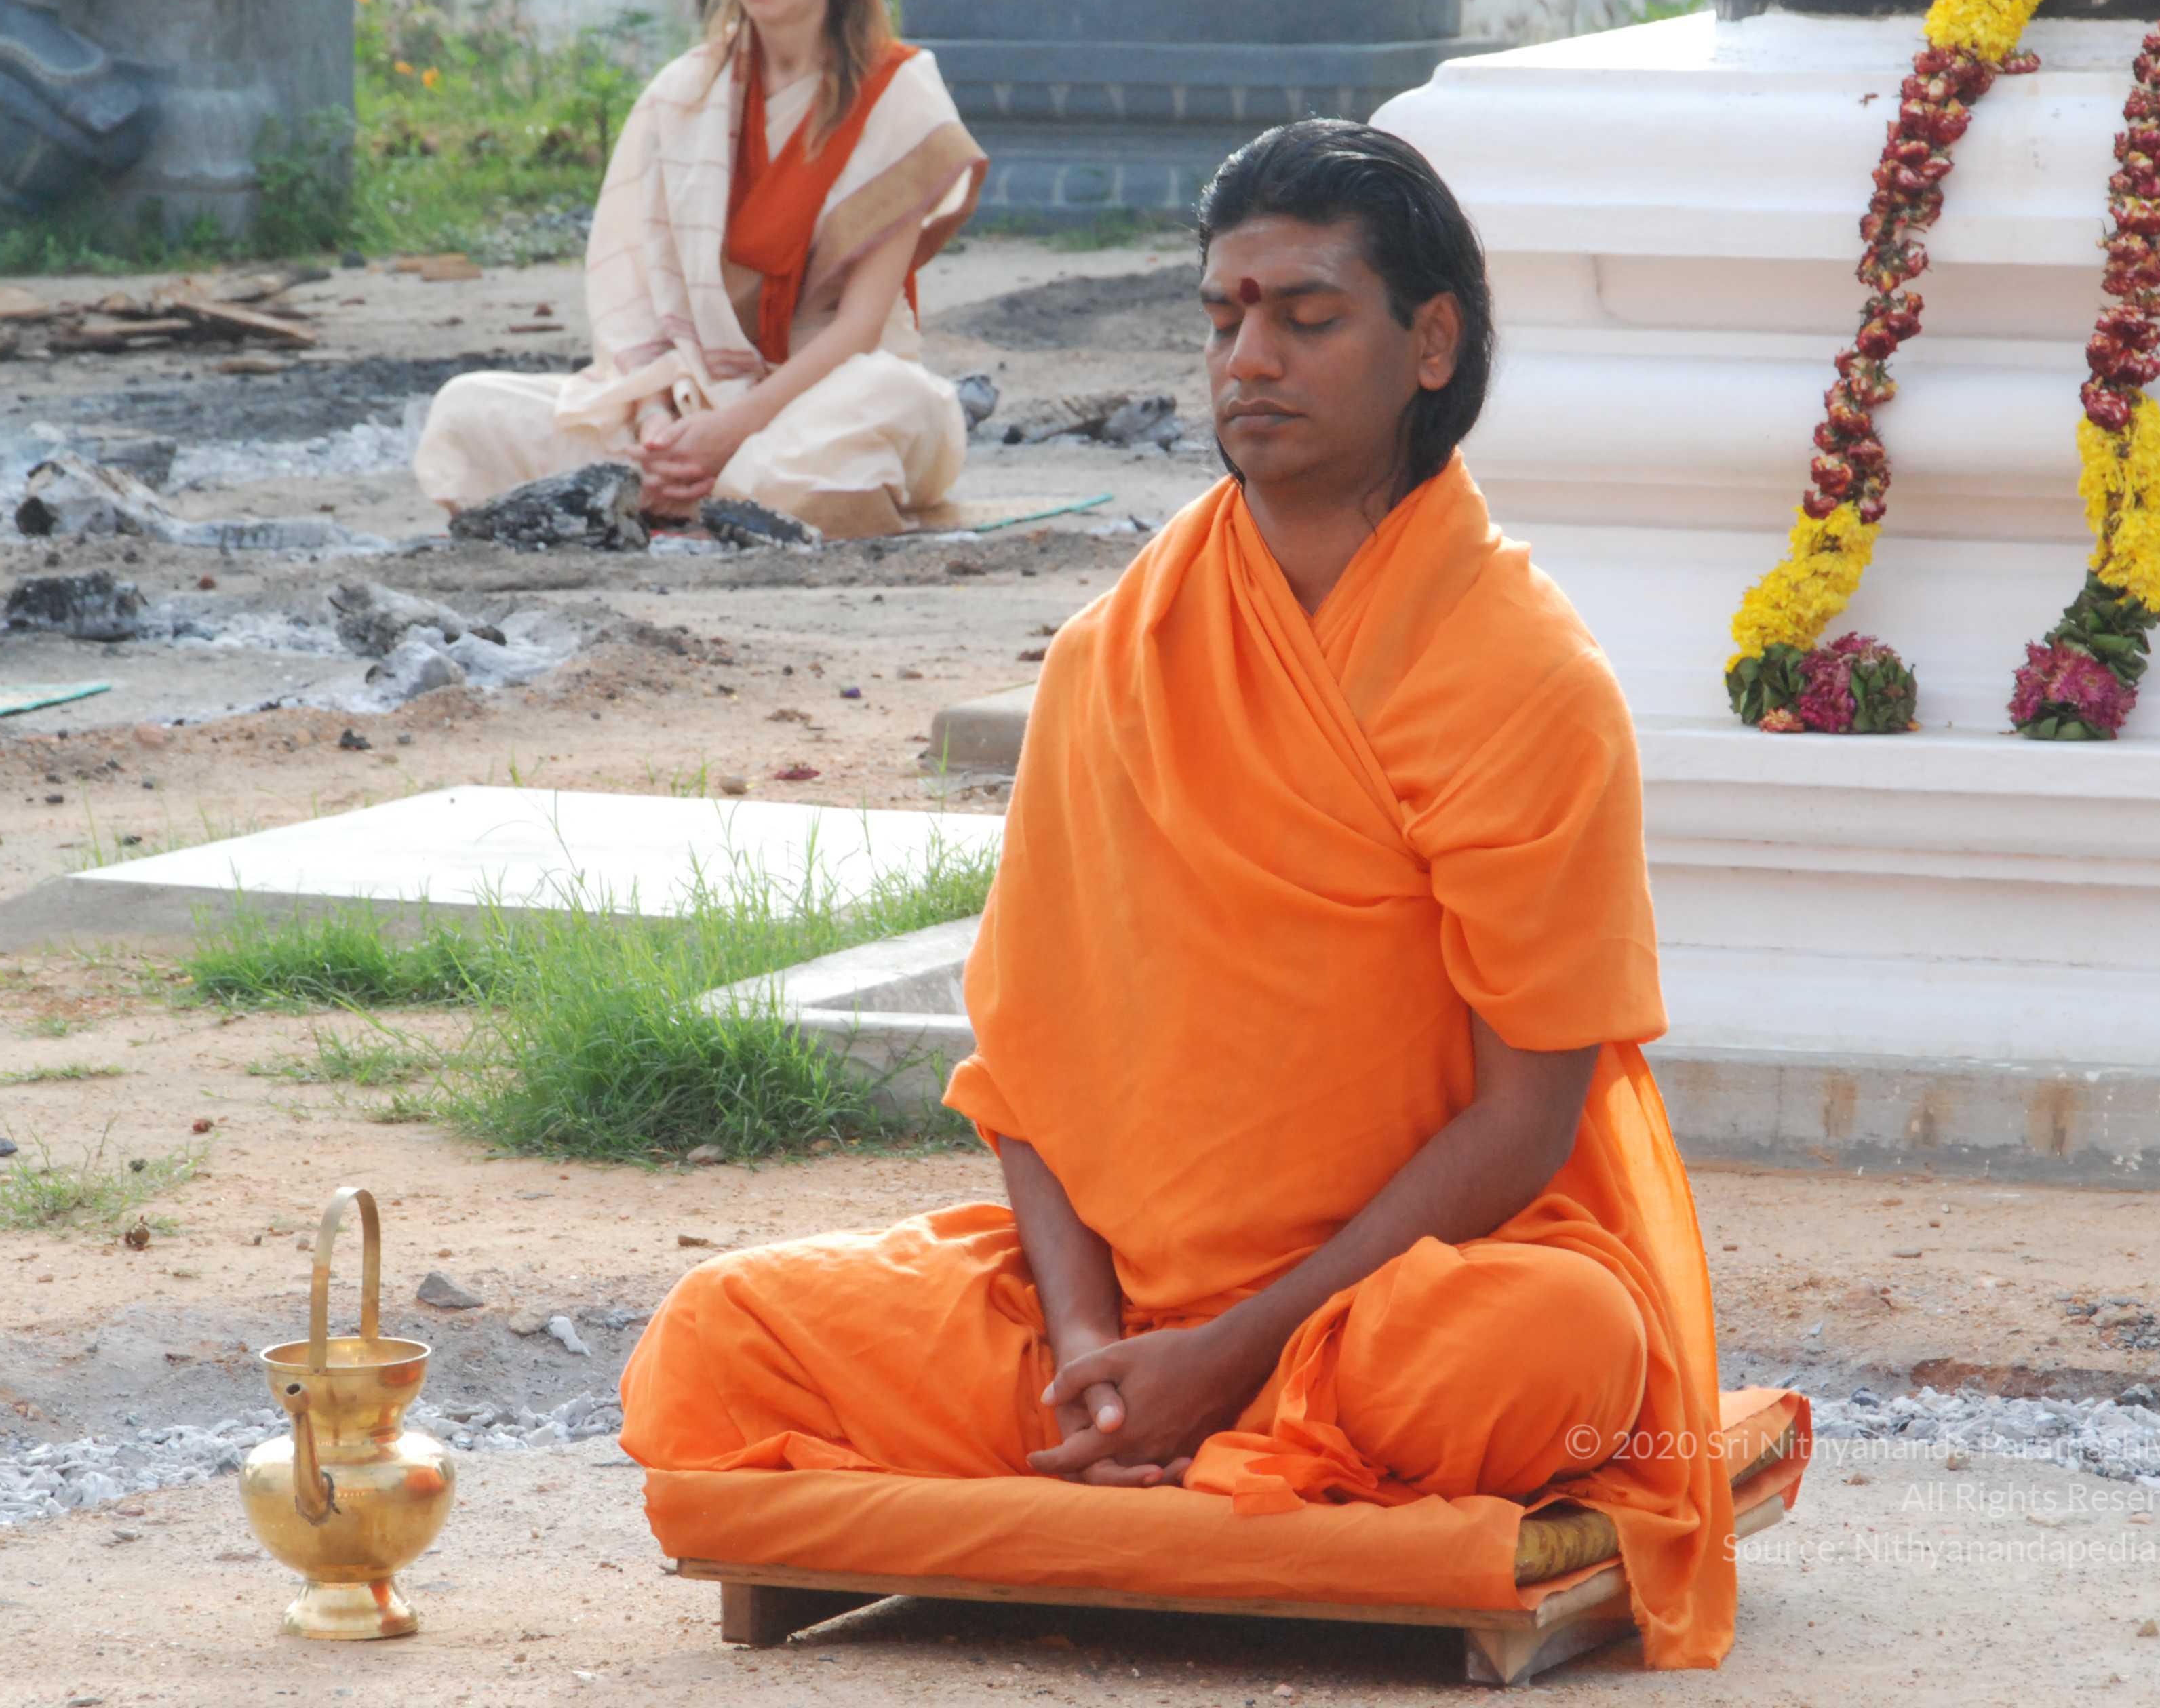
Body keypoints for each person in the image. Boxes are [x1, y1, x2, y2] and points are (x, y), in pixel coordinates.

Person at [619, 119, 1767, 1669]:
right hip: (1116, 1308)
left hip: (1397, 1308)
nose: (1250, 359)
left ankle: (1198, 1432)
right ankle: (1162, 1440)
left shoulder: (1524, 679)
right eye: (1225, 316)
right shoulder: (1121, 648)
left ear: (1431, 343)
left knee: (1545, 1355)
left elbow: (1526, 1119)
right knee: (715, 1336)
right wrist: (1094, 1342)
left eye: (1309, 317)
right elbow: (1028, 1070)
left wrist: (1230, 1353)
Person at [412, 0, 985, 542]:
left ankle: (653, 498)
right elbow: (641, 309)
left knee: (891, 398)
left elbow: (860, 329)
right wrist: (658, 429)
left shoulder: (897, 91)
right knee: (467, 410)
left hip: (826, 400)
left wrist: (732, 431)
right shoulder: (683, 94)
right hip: (696, 401)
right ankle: (704, 496)